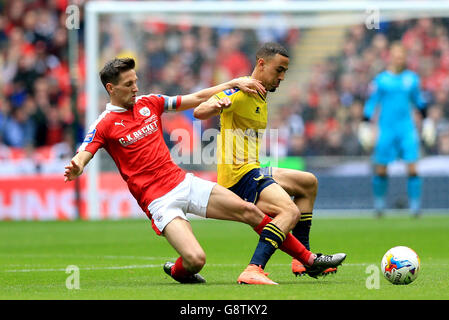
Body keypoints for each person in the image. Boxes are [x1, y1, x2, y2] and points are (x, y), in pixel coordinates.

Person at [64, 57, 344, 285]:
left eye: (136, 81)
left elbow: (196, 97)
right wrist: (77, 165)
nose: (136, 88)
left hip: (182, 182)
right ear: (111, 89)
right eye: (128, 84)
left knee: (252, 212)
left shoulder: (150, 103)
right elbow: (85, 151)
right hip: (158, 201)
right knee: (196, 260)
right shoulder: (105, 123)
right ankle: (177, 270)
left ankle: (308, 260)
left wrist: (234, 82)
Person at [194, 42, 346, 283]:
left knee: (308, 182)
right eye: (279, 70)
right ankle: (253, 269)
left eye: (285, 71)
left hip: (252, 168)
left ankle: (302, 260)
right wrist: (215, 104)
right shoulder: (241, 91)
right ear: (261, 64)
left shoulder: (260, 94)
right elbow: (200, 111)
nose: (283, 77)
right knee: (289, 211)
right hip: (239, 176)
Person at [361, 42, 428, 218]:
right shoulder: (381, 80)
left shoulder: (412, 79)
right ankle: (380, 206)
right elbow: (372, 102)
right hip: (386, 129)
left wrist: (427, 122)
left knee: (413, 168)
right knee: (381, 169)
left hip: (407, 129)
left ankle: (415, 207)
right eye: (396, 54)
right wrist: (365, 123)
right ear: (390, 56)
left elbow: (419, 101)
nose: (399, 57)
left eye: (402, 54)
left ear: (405, 57)